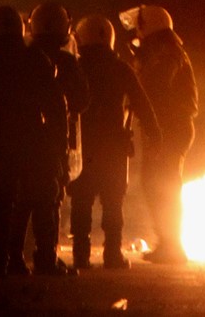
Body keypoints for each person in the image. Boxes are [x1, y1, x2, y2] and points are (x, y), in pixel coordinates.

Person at [0, 5, 69, 278]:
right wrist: (59, 148)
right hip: (33, 142)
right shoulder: (36, 60)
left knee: (1, 203)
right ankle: (40, 259)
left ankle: (1, 261)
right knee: (39, 200)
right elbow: (56, 109)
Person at [70, 14, 161, 270]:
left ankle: (80, 256)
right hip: (114, 145)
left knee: (81, 201)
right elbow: (142, 103)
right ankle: (112, 254)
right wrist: (155, 133)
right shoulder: (121, 68)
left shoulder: (75, 67)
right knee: (113, 202)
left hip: (83, 146)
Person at [11, 2, 89, 274]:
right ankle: (45, 258)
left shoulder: (19, 57)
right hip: (51, 142)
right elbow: (81, 100)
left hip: (20, 140)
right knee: (50, 199)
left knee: (19, 200)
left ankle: (13, 259)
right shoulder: (67, 62)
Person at [120, 5, 197, 265]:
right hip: (165, 126)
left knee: (163, 185)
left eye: (139, 24)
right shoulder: (163, 51)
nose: (136, 30)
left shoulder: (166, 53)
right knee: (156, 184)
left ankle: (173, 246)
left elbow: (155, 85)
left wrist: (135, 83)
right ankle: (167, 243)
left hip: (170, 127)